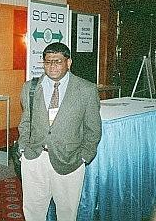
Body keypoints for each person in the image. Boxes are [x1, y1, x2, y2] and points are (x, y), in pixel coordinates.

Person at [17, 42, 102, 220]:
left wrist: (84, 156)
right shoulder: (30, 87)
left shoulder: (86, 89)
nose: (52, 66)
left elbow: (93, 129)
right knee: (33, 210)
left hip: (70, 160)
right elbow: (25, 121)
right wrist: (24, 149)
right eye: (48, 62)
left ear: (69, 62)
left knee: (67, 212)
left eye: (58, 61)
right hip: (35, 158)